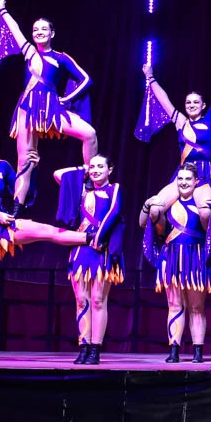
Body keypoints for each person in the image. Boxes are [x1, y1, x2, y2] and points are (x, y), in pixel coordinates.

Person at [0, 127, 92, 362]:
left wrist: (31, 169)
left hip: (1, 224)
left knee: (45, 230)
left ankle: (91, 238)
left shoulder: (2, 167)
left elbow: (20, 193)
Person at [0, 0, 97, 210]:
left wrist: (67, 99)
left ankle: (90, 178)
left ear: (52, 33)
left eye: (44, 29)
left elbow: (86, 79)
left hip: (52, 109)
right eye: (35, 29)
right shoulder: (29, 52)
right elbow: (15, 30)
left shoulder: (61, 57)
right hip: (27, 109)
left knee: (90, 134)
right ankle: (17, 209)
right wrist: (2, 9)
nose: (39, 32)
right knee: (25, 161)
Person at [141, 164, 211, 364]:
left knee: (196, 307)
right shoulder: (169, 204)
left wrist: (209, 210)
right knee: (174, 305)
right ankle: (174, 350)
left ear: (196, 182)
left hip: (195, 257)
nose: (184, 183)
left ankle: (198, 351)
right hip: (171, 257)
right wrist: (148, 206)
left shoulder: (202, 205)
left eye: (188, 179)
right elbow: (143, 223)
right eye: (180, 179)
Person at [138, 63, 211, 232]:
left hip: (203, 174)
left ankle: (207, 246)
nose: (191, 105)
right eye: (188, 102)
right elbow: (164, 100)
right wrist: (150, 77)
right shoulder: (181, 122)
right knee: (155, 209)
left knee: (205, 213)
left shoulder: (210, 120)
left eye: (196, 102)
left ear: (203, 105)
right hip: (183, 174)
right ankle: (164, 239)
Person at [54, 155, 125, 366]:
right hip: (81, 248)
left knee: (97, 300)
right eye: (92, 167)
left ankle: (95, 349)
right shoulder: (81, 190)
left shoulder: (114, 189)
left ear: (110, 170)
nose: (95, 170)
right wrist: (83, 168)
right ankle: (83, 347)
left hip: (102, 248)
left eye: (100, 166)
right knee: (81, 300)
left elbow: (114, 212)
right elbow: (58, 175)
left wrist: (99, 237)